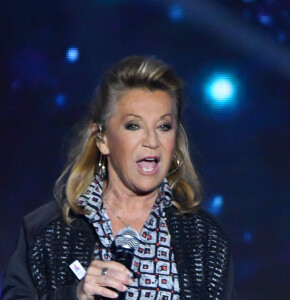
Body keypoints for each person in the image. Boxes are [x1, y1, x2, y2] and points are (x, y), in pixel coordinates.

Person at [2, 56, 235, 299]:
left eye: (164, 127)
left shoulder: (203, 238)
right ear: (102, 139)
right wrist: (74, 295)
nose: (152, 141)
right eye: (134, 126)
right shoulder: (48, 230)